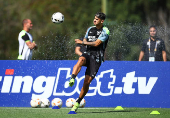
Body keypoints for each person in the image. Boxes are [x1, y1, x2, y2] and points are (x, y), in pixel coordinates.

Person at [68, 12, 110, 113]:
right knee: (81, 59)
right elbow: (86, 39)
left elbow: (96, 44)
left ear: (102, 21)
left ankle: (78, 102)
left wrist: (82, 42)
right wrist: (83, 44)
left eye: (97, 19)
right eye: (94, 18)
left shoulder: (105, 31)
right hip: (87, 53)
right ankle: (72, 78)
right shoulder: (90, 29)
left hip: (97, 58)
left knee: (87, 82)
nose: (94, 20)